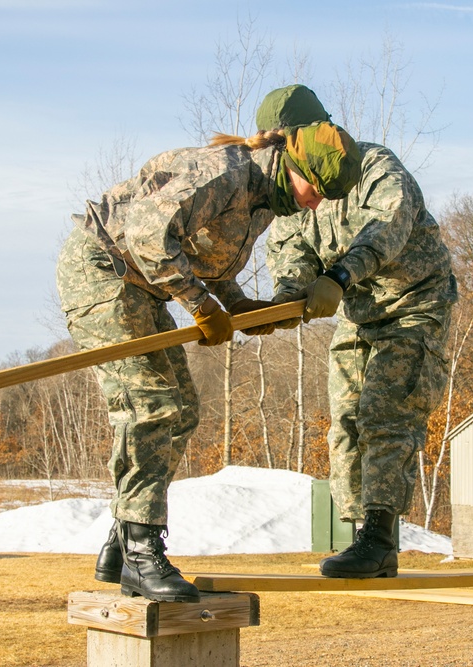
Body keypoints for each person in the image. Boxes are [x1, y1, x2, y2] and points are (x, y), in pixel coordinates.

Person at [56, 118, 360, 602]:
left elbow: (203, 257)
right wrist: (200, 305)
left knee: (183, 411)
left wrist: (236, 304)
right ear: (290, 164)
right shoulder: (225, 173)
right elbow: (150, 235)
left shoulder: (262, 198)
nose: (314, 202)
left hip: (139, 287)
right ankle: (139, 552)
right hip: (102, 273)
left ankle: (120, 542)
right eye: (315, 189)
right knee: (152, 407)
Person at [259, 85, 458, 578]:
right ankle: (358, 534)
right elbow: (290, 245)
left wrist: (339, 276)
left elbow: (385, 228)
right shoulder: (296, 186)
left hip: (413, 303)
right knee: (345, 420)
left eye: (284, 143)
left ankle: (380, 537)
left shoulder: (373, 167)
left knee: (384, 413)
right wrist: (289, 292)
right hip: (359, 312)